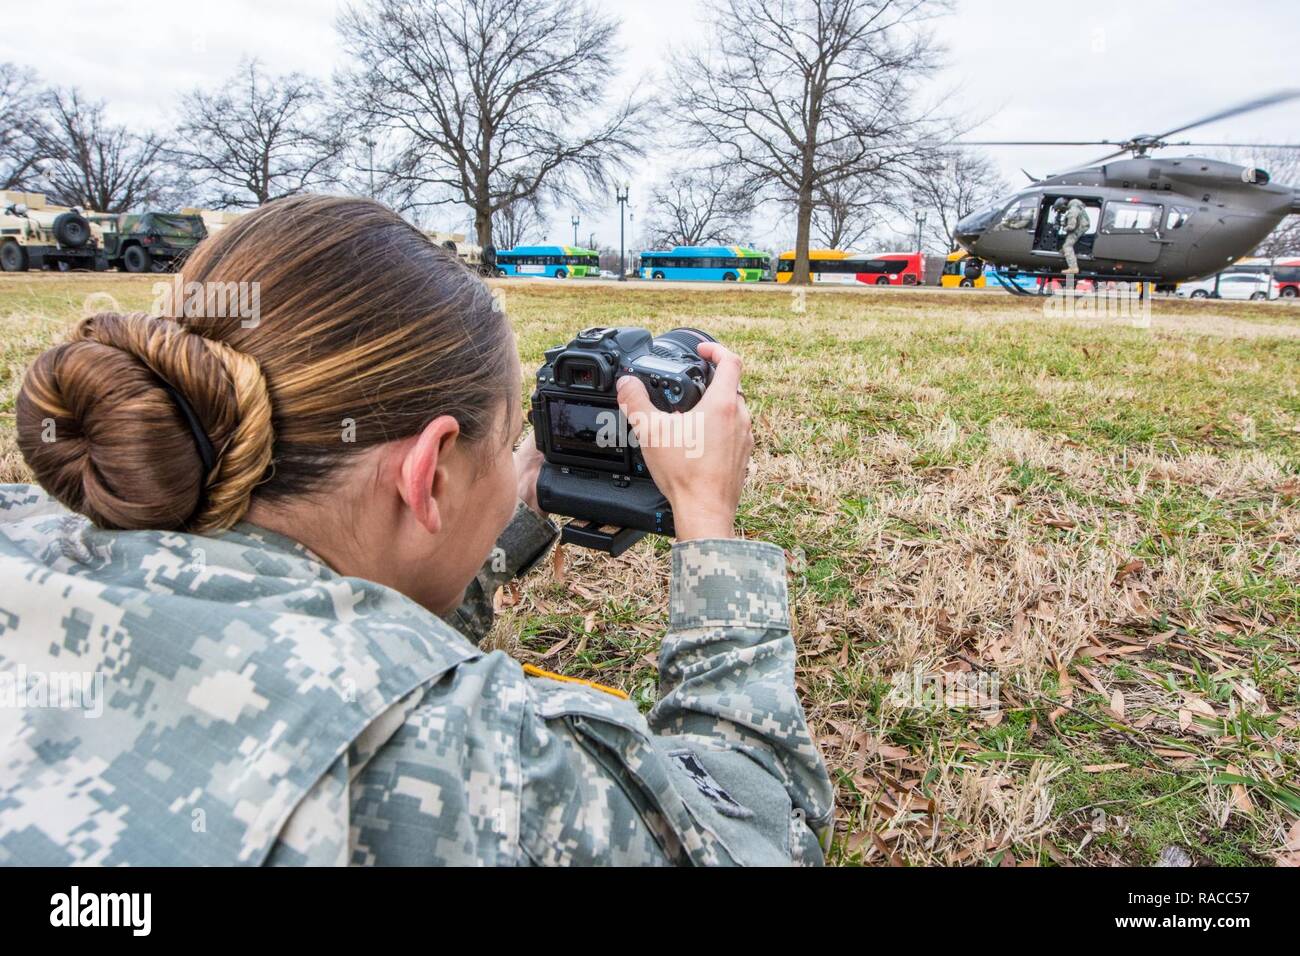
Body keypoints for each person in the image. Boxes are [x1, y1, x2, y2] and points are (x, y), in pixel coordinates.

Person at [0, 195, 833, 866]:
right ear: (427, 474)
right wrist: (709, 526)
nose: (514, 472)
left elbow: (344, 606)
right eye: (506, 448)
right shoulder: (470, 765)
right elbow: (764, 827)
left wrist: (517, 500)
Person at [1055, 197, 1090, 275]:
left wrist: (1064, 228)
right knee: (1065, 247)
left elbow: (1071, 227)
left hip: (1078, 229)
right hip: (1081, 227)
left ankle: (1073, 267)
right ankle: (1066, 254)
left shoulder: (1072, 211)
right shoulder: (1076, 206)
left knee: (1067, 246)